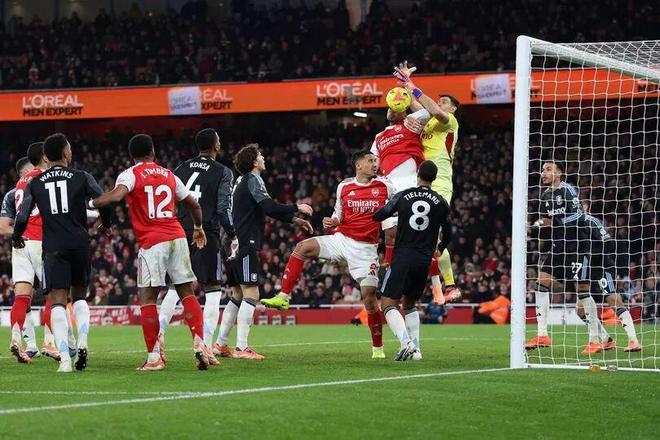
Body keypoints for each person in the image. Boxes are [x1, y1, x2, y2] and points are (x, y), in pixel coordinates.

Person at [90, 134, 216, 371]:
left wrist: (91, 203)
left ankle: (154, 358)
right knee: (187, 293)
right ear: (153, 152)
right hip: (177, 236)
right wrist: (198, 227)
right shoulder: (169, 175)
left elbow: (116, 197)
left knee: (148, 298)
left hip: (152, 242)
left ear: (132, 155)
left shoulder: (130, 174)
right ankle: (200, 344)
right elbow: (194, 205)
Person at [262, 150, 394, 359]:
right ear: (358, 165)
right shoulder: (344, 186)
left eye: (375, 161)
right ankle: (283, 296)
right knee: (302, 247)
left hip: (366, 249)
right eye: (370, 161)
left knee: (369, 298)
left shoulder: (385, 185)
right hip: (341, 240)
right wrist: (333, 221)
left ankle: (377, 348)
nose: (374, 164)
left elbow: (399, 206)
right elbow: (338, 214)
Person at [12, 133, 112, 373]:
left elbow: (23, 215)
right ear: (66, 152)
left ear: (46, 156)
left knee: (57, 300)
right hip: (79, 244)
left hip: (53, 247)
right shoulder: (82, 176)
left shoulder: (35, 182)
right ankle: (83, 342)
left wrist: (17, 237)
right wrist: (106, 223)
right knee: (79, 297)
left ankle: (65, 359)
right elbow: (102, 200)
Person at [214, 144, 312, 360]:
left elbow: (264, 209)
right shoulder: (253, 179)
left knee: (238, 294)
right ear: (254, 162)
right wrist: (297, 207)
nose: (264, 157)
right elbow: (269, 206)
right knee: (252, 293)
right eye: (260, 155)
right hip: (244, 242)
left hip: (230, 243)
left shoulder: (241, 181)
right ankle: (241, 347)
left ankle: (220, 344)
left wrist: (293, 220)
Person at [157, 128, 237, 357]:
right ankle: (206, 345)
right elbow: (223, 208)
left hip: (180, 231)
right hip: (206, 232)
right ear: (216, 146)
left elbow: (171, 201)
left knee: (175, 288)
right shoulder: (223, 171)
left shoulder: (181, 168)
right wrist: (232, 233)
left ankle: (158, 337)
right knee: (212, 289)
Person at [394, 61, 462, 303]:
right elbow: (416, 105)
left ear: (453, 109)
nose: (440, 103)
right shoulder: (429, 122)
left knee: (433, 234)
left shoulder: (449, 121)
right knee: (425, 234)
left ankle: (449, 285)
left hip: (440, 181)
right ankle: (441, 286)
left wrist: (412, 85)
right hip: (423, 181)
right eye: (439, 101)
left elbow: (432, 109)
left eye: (444, 102)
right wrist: (404, 84)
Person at [372, 160, 452, 360]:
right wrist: (440, 248)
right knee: (409, 304)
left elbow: (380, 215)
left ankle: (406, 343)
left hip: (403, 257)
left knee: (387, 304)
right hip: (424, 260)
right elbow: (449, 233)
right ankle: (416, 351)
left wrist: (392, 210)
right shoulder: (441, 202)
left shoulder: (404, 195)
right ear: (434, 179)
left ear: (418, 174)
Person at [526, 160, 606, 354]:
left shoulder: (568, 190)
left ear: (559, 173)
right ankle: (542, 334)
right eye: (543, 170)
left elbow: (578, 216)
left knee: (582, 290)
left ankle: (596, 340)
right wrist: (535, 225)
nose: (543, 173)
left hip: (577, 245)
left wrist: (555, 222)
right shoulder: (545, 195)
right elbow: (547, 221)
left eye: (548, 169)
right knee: (541, 282)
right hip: (558, 246)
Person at [577, 211, 641, 351]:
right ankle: (606, 339)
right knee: (580, 310)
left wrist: (592, 255)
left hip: (602, 266)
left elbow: (608, 242)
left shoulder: (592, 221)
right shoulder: (567, 225)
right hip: (586, 268)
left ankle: (633, 341)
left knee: (613, 299)